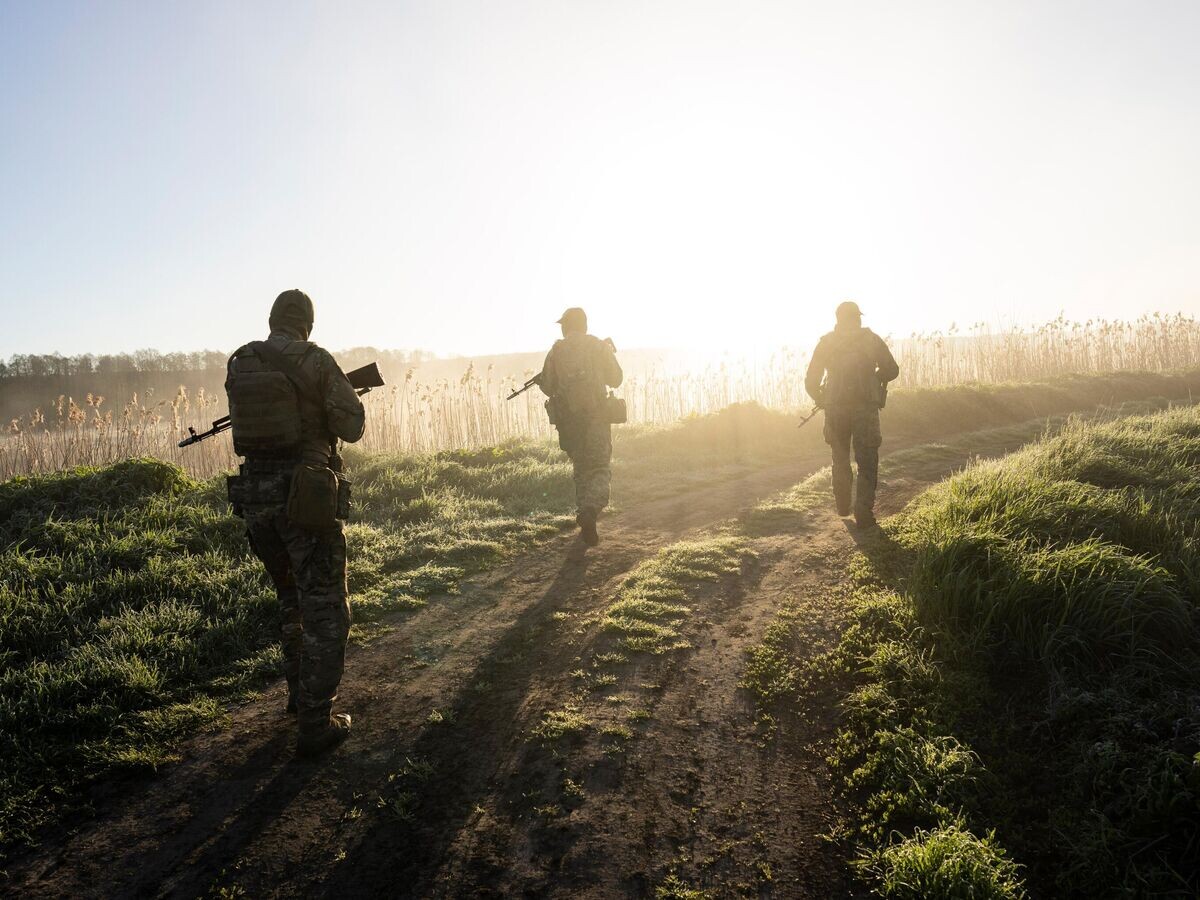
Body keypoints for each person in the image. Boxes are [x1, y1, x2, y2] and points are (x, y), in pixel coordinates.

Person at [224, 289, 365, 756]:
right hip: (305, 503)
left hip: (255, 503)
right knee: (327, 613)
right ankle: (315, 725)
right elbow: (352, 426)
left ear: (270, 320)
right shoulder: (317, 360)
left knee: (291, 601)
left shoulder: (240, 361)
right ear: (308, 323)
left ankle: (297, 698)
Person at [804, 300, 900, 528]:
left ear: (837, 319)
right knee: (867, 460)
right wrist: (875, 378)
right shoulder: (871, 340)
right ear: (857, 317)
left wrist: (823, 399)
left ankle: (843, 505)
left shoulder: (826, 343)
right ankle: (863, 512)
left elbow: (810, 381)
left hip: (836, 410)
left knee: (839, 458)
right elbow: (893, 369)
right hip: (865, 410)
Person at [538, 307, 623, 546]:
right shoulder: (598, 346)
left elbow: (548, 386)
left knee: (581, 469)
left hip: (569, 422)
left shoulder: (556, 350)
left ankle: (584, 512)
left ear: (567, 326)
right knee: (600, 468)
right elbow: (616, 378)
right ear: (584, 325)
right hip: (596, 419)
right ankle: (591, 511)